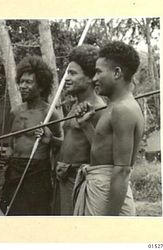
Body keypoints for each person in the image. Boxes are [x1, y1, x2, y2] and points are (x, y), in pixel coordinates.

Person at [73, 41, 144, 216]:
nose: (94, 78)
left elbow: (121, 170)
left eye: (98, 72)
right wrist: (85, 125)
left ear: (117, 72)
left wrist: (109, 222)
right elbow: (103, 153)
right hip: (101, 187)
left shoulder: (123, 109)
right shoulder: (113, 106)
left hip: (108, 193)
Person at [0, 55, 62, 215]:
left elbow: (61, 146)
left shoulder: (49, 114)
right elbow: (12, 146)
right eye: (21, 81)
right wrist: (4, 158)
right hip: (14, 171)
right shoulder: (16, 112)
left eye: (29, 82)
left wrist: (51, 140)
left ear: (40, 86)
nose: (23, 86)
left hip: (37, 174)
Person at [55, 44, 105, 215]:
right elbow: (74, 143)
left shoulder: (98, 109)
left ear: (90, 78)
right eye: (67, 73)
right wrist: (51, 141)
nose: (66, 78)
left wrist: (85, 124)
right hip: (64, 179)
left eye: (73, 73)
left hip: (80, 180)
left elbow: (102, 151)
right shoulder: (75, 106)